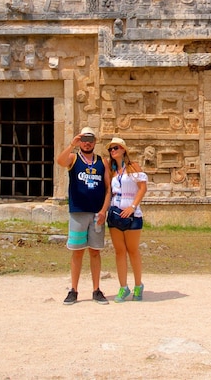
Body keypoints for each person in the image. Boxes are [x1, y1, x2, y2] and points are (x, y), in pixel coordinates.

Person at [55, 126, 110, 305]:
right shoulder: (73, 158)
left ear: (95, 142)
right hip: (78, 211)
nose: (87, 143)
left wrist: (103, 211)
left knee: (95, 252)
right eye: (84, 139)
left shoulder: (102, 162)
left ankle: (96, 289)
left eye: (90, 140)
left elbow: (108, 188)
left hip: (96, 213)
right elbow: (60, 161)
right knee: (77, 252)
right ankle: (74, 289)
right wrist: (71, 145)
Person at [105, 137, 148, 302]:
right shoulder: (112, 170)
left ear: (123, 149)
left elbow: (142, 188)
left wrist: (133, 206)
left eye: (115, 148)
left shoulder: (133, 167)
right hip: (115, 212)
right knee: (119, 251)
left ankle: (138, 284)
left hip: (132, 214)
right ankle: (123, 286)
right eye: (110, 149)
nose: (112, 151)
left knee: (133, 250)